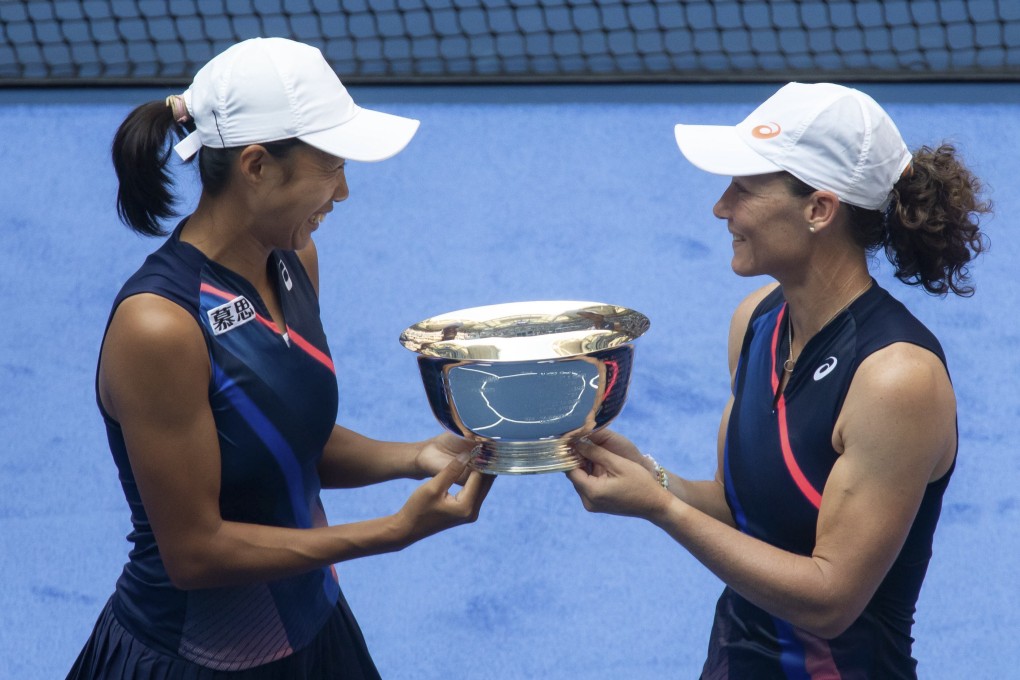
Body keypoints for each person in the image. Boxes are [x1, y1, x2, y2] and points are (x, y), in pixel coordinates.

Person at [68, 37, 495, 678]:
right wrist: (393, 531)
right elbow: (195, 552)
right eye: (331, 169)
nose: (345, 192)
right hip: (195, 660)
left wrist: (416, 458)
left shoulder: (293, 261)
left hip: (315, 632)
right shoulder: (159, 327)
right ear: (257, 166)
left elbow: (285, 442)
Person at [566, 82, 989, 678]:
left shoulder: (897, 380)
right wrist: (652, 479)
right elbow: (746, 515)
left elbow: (830, 600)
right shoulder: (756, 321)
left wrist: (661, 509)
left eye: (743, 187)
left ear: (819, 208)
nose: (720, 207)